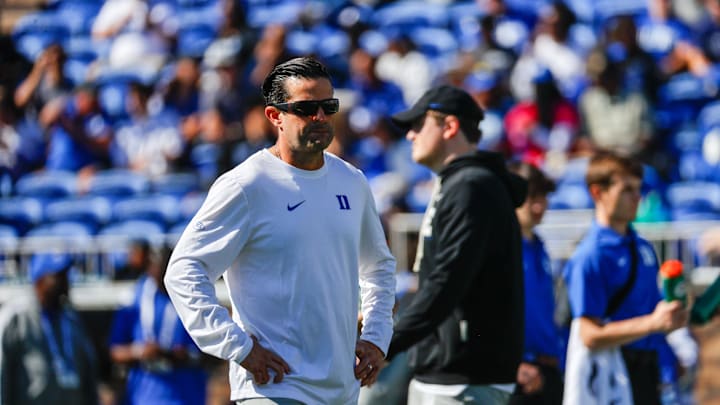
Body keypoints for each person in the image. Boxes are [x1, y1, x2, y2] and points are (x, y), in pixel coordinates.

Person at [164, 57, 396, 404]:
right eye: (305, 108)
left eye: (327, 106)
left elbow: (377, 267)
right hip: (274, 388)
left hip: (341, 391)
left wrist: (377, 337)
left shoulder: (352, 181)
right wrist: (237, 346)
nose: (319, 117)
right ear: (275, 116)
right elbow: (183, 271)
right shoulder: (246, 184)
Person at [385, 85, 527, 404]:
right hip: (456, 375)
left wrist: (385, 344)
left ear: (449, 127)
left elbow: (445, 283)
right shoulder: (463, 183)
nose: (411, 135)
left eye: (419, 124)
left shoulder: (471, 187)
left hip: (461, 381)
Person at [562, 151, 688, 405]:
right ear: (598, 193)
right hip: (613, 373)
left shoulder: (643, 246)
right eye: (626, 190)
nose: (636, 198)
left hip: (649, 368)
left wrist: (671, 355)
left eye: (638, 189)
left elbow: (654, 312)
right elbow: (589, 334)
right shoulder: (590, 255)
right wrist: (653, 324)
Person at [109, 246, 209, 405]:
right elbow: (116, 351)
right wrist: (141, 351)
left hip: (186, 394)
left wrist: (185, 355)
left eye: (166, 266)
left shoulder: (194, 297)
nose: (161, 271)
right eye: (157, 265)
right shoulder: (132, 299)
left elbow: (214, 353)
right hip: (144, 396)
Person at [0, 253, 99, 405]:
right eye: (57, 276)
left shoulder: (71, 320)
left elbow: (88, 371)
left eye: (65, 276)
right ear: (39, 280)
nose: (65, 283)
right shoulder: (16, 317)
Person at [507, 162, 563, 405]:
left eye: (543, 197)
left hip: (548, 369)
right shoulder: (500, 248)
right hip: (518, 373)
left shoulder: (540, 246)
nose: (540, 206)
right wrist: (511, 364)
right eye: (532, 197)